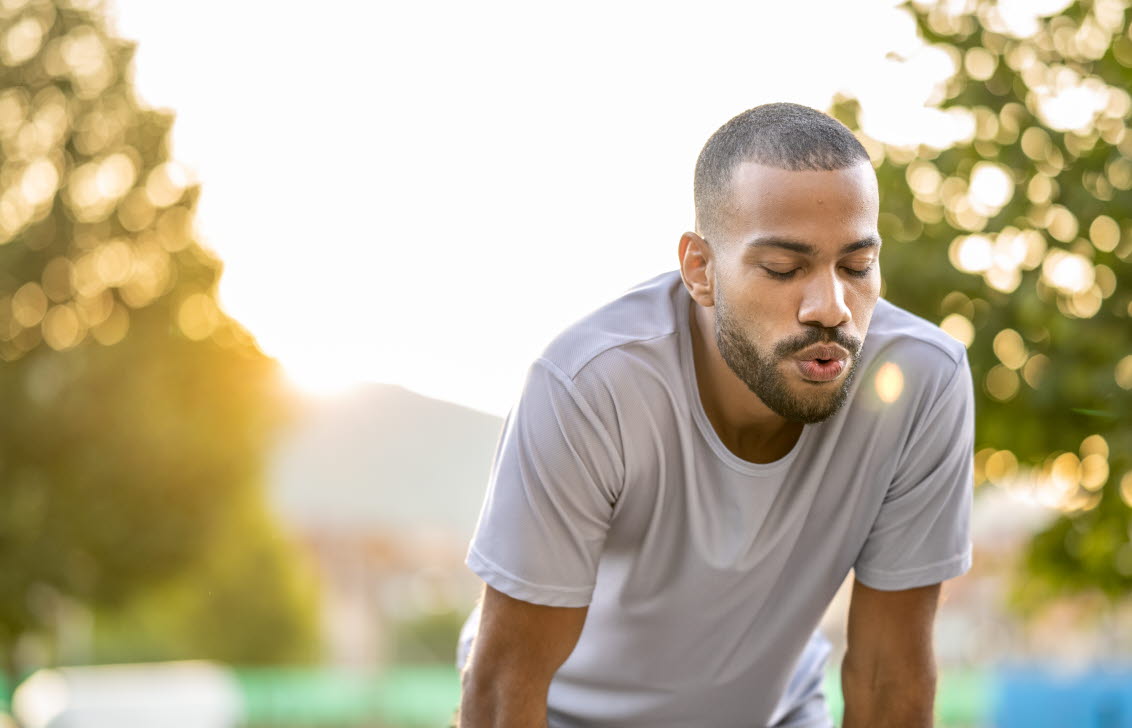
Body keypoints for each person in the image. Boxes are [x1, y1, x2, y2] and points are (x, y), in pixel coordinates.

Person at [456, 102, 974, 727]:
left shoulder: (921, 381)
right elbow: (503, 688)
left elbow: (889, 678)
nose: (832, 307)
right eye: (785, 268)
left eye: (857, 266)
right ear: (700, 270)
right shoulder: (591, 386)